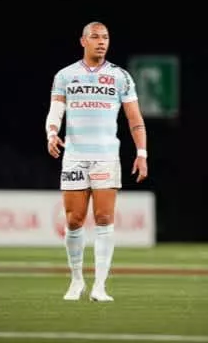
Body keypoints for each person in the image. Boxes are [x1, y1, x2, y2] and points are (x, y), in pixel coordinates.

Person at [45, 21, 148, 302]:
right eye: (95, 37)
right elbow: (55, 111)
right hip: (75, 156)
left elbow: (135, 118)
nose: (101, 42)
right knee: (74, 220)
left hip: (106, 157)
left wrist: (142, 153)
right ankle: (76, 280)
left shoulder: (120, 76)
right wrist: (52, 133)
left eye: (105, 37)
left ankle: (100, 286)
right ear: (83, 41)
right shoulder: (65, 75)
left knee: (104, 218)